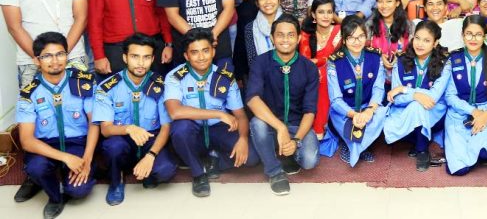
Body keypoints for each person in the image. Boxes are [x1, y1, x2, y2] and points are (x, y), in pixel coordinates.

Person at [164, 28, 258, 197]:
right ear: (186, 56)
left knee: (251, 157)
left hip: (219, 130)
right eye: (194, 52)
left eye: (205, 51)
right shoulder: (174, 76)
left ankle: (214, 159)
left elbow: (240, 115)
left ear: (213, 51)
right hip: (193, 131)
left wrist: (243, 138)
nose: (201, 57)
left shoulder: (224, 76)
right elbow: (175, 112)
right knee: (180, 129)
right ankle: (198, 174)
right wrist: (219, 114)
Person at [15, 32, 96, 218]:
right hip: (45, 145)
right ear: (37, 61)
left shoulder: (83, 82)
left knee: (78, 191)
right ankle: (54, 197)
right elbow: (27, 141)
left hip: (77, 142)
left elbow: (94, 123)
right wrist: (66, 158)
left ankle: (69, 180)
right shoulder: (29, 94)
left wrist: (87, 158)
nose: (55, 61)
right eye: (47, 56)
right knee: (36, 168)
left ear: (67, 56)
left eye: (60, 54)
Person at [93, 33, 176, 205]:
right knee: (112, 147)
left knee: (166, 171)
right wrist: (129, 128)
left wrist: (151, 155)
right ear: (125, 57)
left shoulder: (161, 85)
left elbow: (166, 127)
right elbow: (106, 129)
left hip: (150, 139)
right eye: (135, 57)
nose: (140, 63)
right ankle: (116, 181)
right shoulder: (107, 87)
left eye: (146, 57)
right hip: (122, 138)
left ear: (153, 59)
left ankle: (146, 168)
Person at [246, 14, 320, 195]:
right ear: (272, 38)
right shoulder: (260, 62)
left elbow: (310, 111)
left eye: (290, 35)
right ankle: (275, 171)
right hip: (271, 125)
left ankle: (288, 153)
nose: (285, 40)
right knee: (257, 124)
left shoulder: (308, 67)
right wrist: (280, 127)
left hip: (297, 126)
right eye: (280, 35)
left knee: (309, 161)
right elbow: (252, 99)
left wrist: (295, 140)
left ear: (299, 37)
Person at [384, 20, 450, 171]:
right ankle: (420, 139)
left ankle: (422, 150)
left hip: (434, 113)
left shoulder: (445, 63)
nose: (420, 44)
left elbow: (433, 97)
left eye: (427, 40)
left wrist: (405, 90)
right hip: (403, 110)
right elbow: (395, 98)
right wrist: (415, 96)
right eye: (418, 38)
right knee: (389, 120)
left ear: (435, 43)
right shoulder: (401, 61)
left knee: (417, 107)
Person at [442, 15, 487, 175]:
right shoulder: (453, 59)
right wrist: (473, 112)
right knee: (459, 169)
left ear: (485, 36)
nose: (473, 39)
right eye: (469, 34)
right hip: (459, 114)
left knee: (485, 153)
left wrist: (485, 114)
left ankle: (476, 147)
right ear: (462, 35)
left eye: (478, 34)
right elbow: (449, 96)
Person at [327, 16, 388, 166]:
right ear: (344, 39)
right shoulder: (335, 61)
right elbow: (335, 100)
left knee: (382, 113)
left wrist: (369, 111)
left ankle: (355, 147)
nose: (357, 41)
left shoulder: (375, 56)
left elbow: (379, 88)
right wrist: (354, 114)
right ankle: (357, 147)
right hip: (346, 112)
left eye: (361, 36)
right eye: (352, 38)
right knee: (349, 124)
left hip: (368, 107)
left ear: (366, 36)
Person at [297, 0, 341, 158]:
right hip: (311, 73)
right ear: (313, 15)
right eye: (321, 12)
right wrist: (322, 61)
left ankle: (319, 131)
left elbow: (341, 56)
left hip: (338, 73)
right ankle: (317, 131)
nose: (326, 16)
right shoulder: (306, 33)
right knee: (318, 75)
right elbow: (305, 60)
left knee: (324, 74)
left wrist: (321, 61)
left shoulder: (339, 32)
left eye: (329, 12)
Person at [366, 0, 414, 75]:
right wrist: (379, 57)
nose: (384, 6)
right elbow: (363, 52)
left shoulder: (409, 26)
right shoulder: (369, 25)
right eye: (380, 1)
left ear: (397, 3)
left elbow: (416, 51)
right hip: (375, 75)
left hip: (403, 75)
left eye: (388, 1)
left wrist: (401, 57)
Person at [244, 0, 282, 64]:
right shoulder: (250, 28)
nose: (268, 2)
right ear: (257, 3)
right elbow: (252, 62)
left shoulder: (290, 23)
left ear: (279, 1)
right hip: (261, 74)